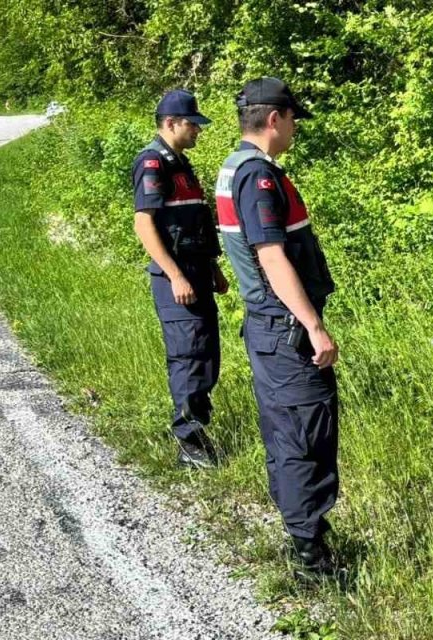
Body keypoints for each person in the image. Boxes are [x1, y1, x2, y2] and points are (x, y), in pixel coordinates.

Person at [214, 77, 340, 577]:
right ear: (274, 119)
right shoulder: (257, 177)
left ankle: (307, 539)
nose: (293, 129)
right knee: (303, 435)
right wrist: (312, 325)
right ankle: (312, 557)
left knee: (290, 432)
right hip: (284, 327)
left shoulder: (233, 168)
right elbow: (270, 254)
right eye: (291, 120)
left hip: (270, 327)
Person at [131, 89, 228, 470]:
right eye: (193, 124)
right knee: (189, 356)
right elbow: (144, 223)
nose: (198, 131)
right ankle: (188, 442)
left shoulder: (181, 165)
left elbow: (195, 223)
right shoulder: (153, 163)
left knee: (206, 355)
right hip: (177, 280)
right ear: (170, 123)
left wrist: (213, 267)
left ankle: (198, 433)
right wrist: (174, 275)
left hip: (197, 273)